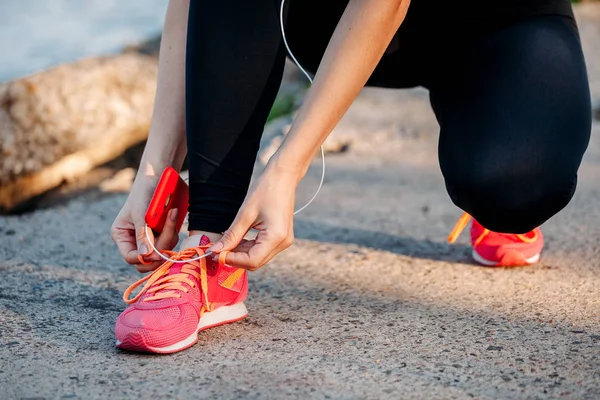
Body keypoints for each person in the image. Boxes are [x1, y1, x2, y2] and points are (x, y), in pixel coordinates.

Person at [110, 0, 591, 354]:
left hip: (498, 21)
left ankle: (489, 136)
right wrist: (157, 167)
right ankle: (210, 248)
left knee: (515, 186)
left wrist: (287, 168)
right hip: (332, 19)